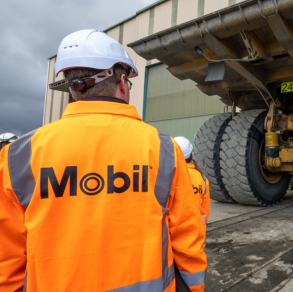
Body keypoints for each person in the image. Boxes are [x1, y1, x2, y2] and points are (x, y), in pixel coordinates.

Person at [0, 30, 206, 292]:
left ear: (74, 87)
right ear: (122, 82)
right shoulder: (163, 148)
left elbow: (6, 256)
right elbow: (187, 236)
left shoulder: (19, 155)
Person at [174, 137, 210, 224]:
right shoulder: (202, 178)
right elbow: (205, 207)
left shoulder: (168, 176)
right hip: (197, 231)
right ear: (190, 155)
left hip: (174, 232)